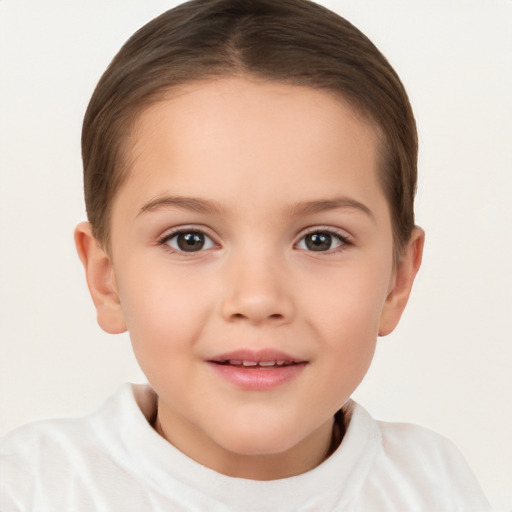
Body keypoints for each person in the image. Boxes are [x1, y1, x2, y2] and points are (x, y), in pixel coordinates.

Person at [0, 0, 491, 510]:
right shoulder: (29, 488)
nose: (257, 299)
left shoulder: (435, 487)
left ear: (398, 279)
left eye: (320, 239)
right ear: (107, 279)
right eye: (189, 239)